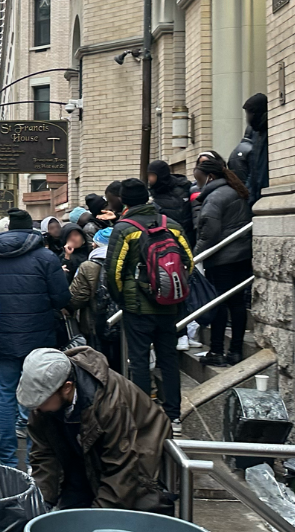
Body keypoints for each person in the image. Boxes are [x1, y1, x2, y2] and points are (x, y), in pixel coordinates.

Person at [18, 347, 173, 511]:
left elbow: (120, 469)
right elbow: (43, 454)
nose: (38, 408)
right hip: (86, 452)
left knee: (126, 512)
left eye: (42, 401)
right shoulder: (44, 401)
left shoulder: (111, 404)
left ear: (67, 388)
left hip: (140, 451)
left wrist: (96, 517)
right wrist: (43, 503)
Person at [0, 208, 71, 469]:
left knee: (5, 395)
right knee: (39, 397)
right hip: (38, 337)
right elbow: (62, 298)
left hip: (1, 336)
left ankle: (7, 459)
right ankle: (35, 459)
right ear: (32, 229)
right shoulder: (46, 258)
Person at [104, 178, 193, 434]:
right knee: (168, 359)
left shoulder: (124, 228)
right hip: (168, 305)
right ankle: (174, 417)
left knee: (139, 361)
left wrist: (123, 299)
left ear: (124, 200)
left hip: (137, 308)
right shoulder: (171, 225)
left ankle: (144, 417)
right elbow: (188, 261)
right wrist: (173, 293)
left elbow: (113, 272)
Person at [192, 156, 254, 366]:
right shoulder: (234, 190)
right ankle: (235, 350)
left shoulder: (216, 197)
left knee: (217, 303)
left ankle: (217, 350)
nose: (198, 183)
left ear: (209, 176)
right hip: (241, 255)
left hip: (222, 259)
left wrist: (195, 256)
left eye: (199, 178)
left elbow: (209, 231)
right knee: (236, 304)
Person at [66, 227, 120, 371]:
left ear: (96, 244)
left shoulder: (88, 266)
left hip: (95, 323)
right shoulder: (125, 261)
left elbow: (75, 299)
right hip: (124, 323)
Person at [147, 160, 196, 240]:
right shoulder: (152, 195)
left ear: (161, 175)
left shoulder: (184, 187)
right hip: (168, 239)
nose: (150, 179)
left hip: (188, 236)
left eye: (152, 175)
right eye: (149, 175)